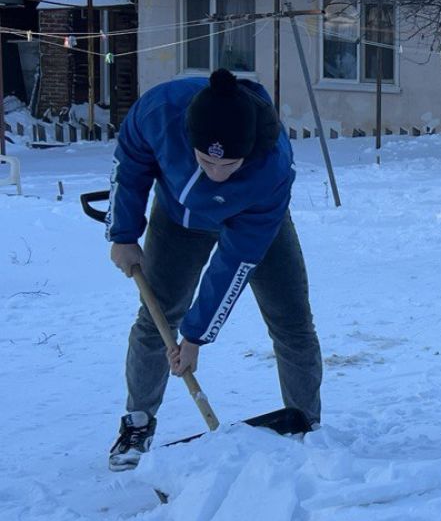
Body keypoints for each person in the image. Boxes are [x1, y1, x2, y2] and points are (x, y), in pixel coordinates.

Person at [105, 68, 322, 471]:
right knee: (156, 320)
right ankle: (137, 423)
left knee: (292, 323)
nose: (216, 174)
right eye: (205, 161)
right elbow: (131, 162)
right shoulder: (162, 110)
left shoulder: (270, 166)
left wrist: (196, 336)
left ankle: (304, 425)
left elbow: (236, 260)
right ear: (190, 139)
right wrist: (123, 232)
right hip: (178, 220)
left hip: (256, 224)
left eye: (230, 164)